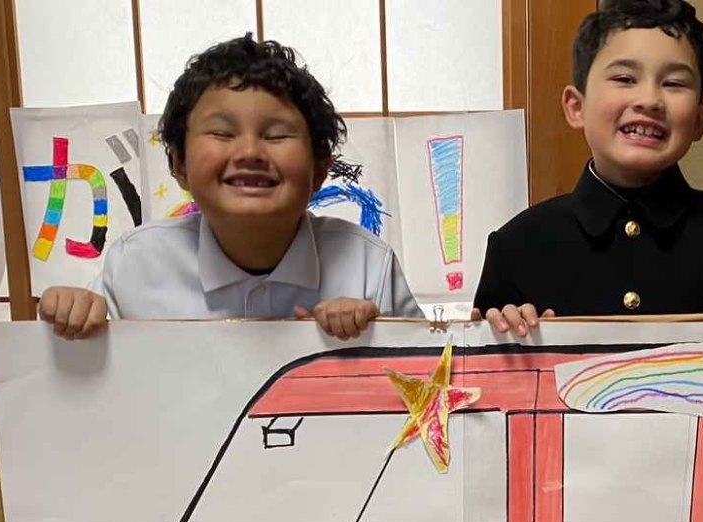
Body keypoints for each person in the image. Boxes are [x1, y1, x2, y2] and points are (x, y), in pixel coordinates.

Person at [473, 0, 703, 337]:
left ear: (700, 120)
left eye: (674, 83)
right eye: (625, 78)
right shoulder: (516, 246)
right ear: (576, 107)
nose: (649, 100)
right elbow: (479, 367)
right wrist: (499, 332)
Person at [40, 34, 421, 341]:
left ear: (319, 169)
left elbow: (428, 378)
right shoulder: (135, 264)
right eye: (222, 133)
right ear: (179, 163)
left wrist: (376, 335)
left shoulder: (367, 265)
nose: (250, 152)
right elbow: (86, 384)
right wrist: (74, 314)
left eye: (276, 135)